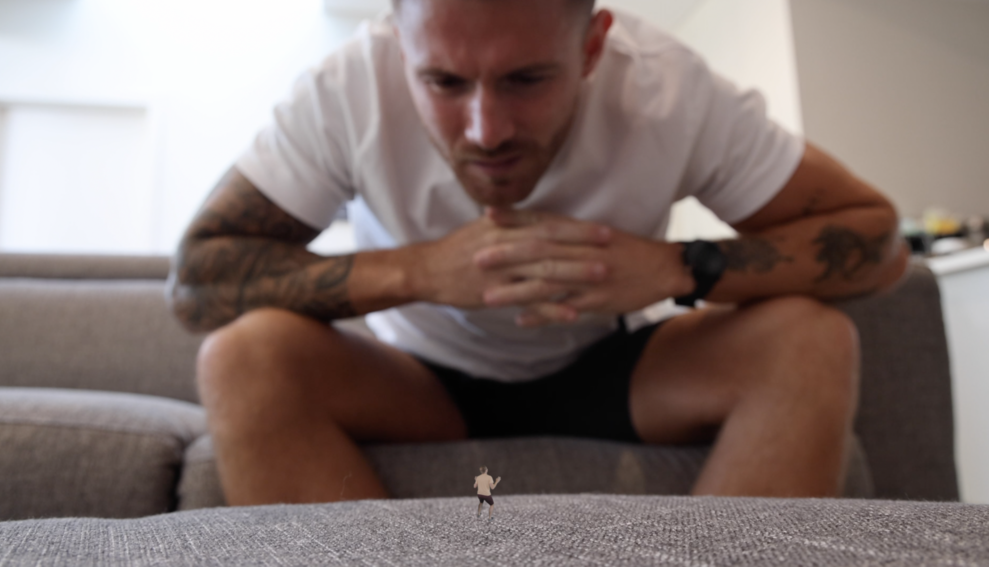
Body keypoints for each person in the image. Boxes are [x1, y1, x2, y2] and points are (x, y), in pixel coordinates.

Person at [168, 0, 909, 505]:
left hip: (611, 369)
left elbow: (878, 241)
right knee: (243, 357)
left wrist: (672, 267)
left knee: (810, 340)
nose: (485, 129)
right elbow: (197, 282)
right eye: (443, 81)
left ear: (591, 46)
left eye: (526, 79)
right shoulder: (344, 91)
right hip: (419, 380)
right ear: (400, 42)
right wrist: (421, 270)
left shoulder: (667, 88)